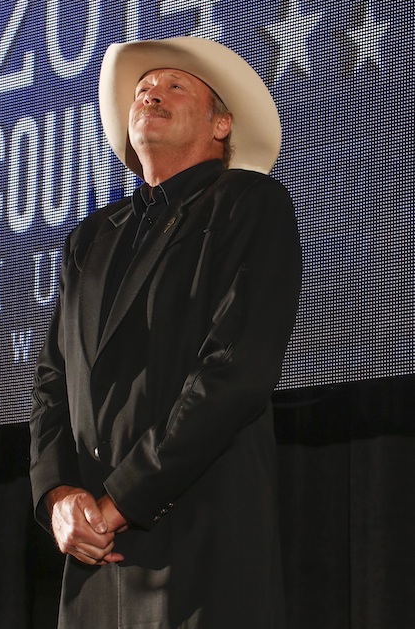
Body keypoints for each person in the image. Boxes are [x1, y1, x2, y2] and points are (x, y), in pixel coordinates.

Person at [29, 36, 302, 629]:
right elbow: (54, 381)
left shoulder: (248, 203)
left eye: (175, 86)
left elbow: (235, 371)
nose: (150, 94)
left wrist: (119, 500)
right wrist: (58, 498)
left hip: (200, 542)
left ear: (221, 123)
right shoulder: (90, 238)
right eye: (143, 89)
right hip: (96, 560)